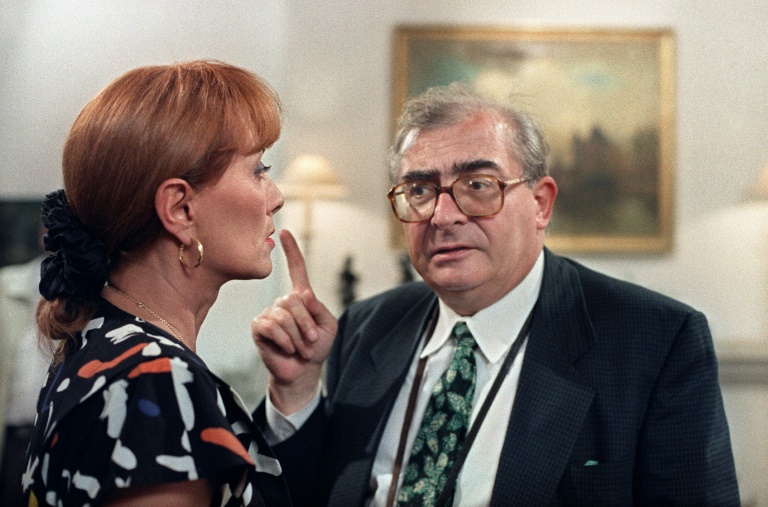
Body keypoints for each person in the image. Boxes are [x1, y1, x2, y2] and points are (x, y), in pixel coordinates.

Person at [252, 84, 740, 506]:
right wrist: (296, 392)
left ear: (541, 204)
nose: (443, 216)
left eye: (478, 185)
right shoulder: (366, 327)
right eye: (419, 190)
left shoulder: (655, 341)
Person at [23, 60, 291, 506]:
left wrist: (293, 389)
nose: (276, 196)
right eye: (258, 169)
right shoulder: (154, 379)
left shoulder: (104, 344)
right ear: (180, 210)